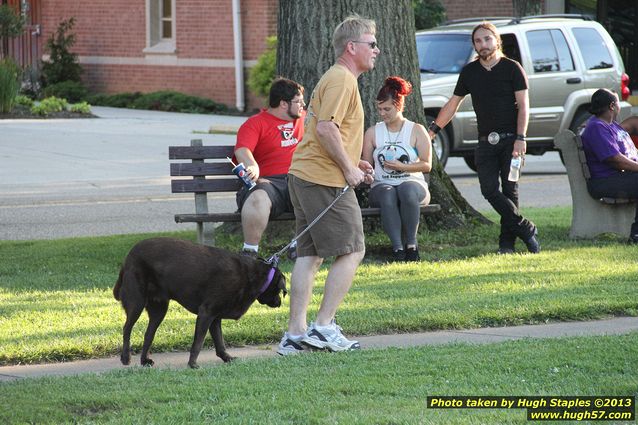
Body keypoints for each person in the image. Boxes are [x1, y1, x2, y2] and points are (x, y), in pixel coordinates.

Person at [277, 15, 379, 355]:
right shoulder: (342, 80)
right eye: (371, 44)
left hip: (307, 175)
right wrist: (349, 168)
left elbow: (328, 129)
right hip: (323, 179)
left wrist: (354, 159)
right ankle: (323, 327)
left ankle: (294, 335)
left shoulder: (339, 79)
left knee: (310, 255)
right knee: (353, 249)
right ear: (352, 47)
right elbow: (325, 129)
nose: (376, 50)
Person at [427, 21, 540, 254]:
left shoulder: (512, 68)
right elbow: (453, 103)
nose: (483, 44)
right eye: (478, 41)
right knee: (489, 189)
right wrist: (434, 129)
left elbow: (524, 106)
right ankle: (526, 228)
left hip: (512, 140)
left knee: (510, 190)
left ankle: (506, 244)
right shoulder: (470, 72)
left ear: (496, 41)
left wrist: (521, 138)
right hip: (485, 142)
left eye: (487, 39)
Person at [362, 76, 432, 262]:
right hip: (381, 185)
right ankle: (397, 249)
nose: (382, 113)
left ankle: (411, 245)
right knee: (387, 193)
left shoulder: (416, 130)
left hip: (413, 183)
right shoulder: (372, 132)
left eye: (387, 109)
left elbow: (427, 164)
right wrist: (367, 174)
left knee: (406, 189)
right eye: (379, 109)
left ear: (399, 106)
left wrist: (404, 167)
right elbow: (366, 164)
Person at [233, 77, 305, 256]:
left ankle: (299, 245)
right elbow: (242, 150)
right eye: (298, 102)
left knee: (318, 190)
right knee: (258, 198)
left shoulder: (306, 118)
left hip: (299, 178)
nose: (303, 105)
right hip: (269, 183)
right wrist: (253, 167)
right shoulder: (256, 123)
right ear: (283, 104)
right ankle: (250, 252)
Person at [580, 88, 638, 243]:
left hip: (622, 177)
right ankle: (636, 235)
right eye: (618, 102)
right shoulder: (597, 127)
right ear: (612, 105)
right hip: (605, 181)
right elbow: (615, 159)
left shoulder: (611, 125)